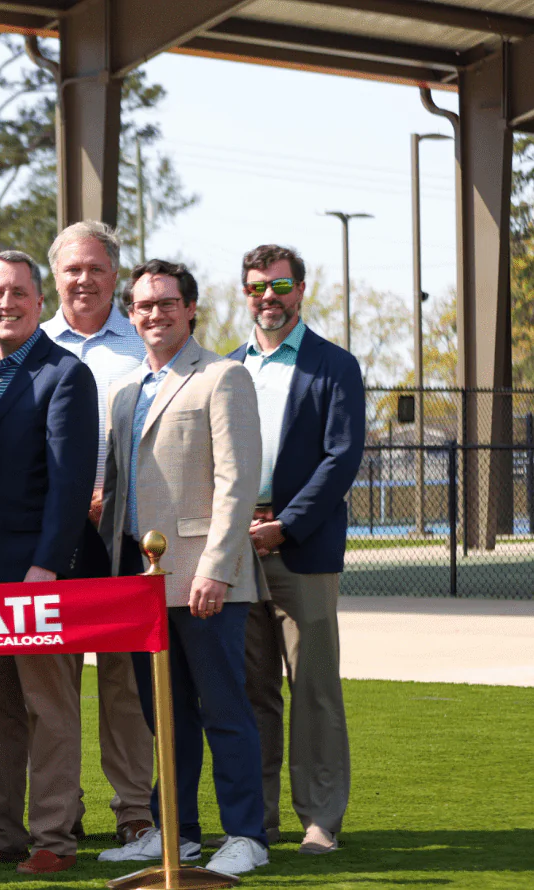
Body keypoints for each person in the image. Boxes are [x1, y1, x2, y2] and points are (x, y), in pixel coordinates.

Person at [96, 260, 271, 877]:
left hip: (206, 580)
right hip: (144, 590)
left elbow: (237, 480)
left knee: (224, 710)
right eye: (143, 305)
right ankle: (179, 834)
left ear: (190, 308)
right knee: (164, 718)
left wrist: (217, 567)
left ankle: (246, 835)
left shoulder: (222, 377)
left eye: (167, 303)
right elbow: (115, 495)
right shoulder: (124, 394)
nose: (154, 314)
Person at [0, 251, 98, 875]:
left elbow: (68, 482)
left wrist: (49, 564)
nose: (5, 304)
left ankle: (55, 839)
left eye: (17, 293)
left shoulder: (66, 375)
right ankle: (4, 832)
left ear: (40, 302)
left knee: (50, 708)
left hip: (38, 578)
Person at [226, 244, 364, 855]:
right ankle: (258, 820)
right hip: (233, 551)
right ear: (245, 294)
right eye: (257, 287)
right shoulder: (225, 369)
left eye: (279, 285)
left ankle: (320, 819)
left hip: (300, 548)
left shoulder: (334, 366)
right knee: (250, 690)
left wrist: (286, 524)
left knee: (312, 688)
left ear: (301, 290)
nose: (269, 298)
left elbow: (342, 457)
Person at [40, 221, 155, 847]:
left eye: (96, 269)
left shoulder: (142, 342)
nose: (83, 280)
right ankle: (59, 810)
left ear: (115, 275)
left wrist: (116, 496)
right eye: (71, 269)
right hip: (50, 542)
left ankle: (134, 806)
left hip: (123, 536)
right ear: (55, 277)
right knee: (51, 679)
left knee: (124, 679)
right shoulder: (30, 341)